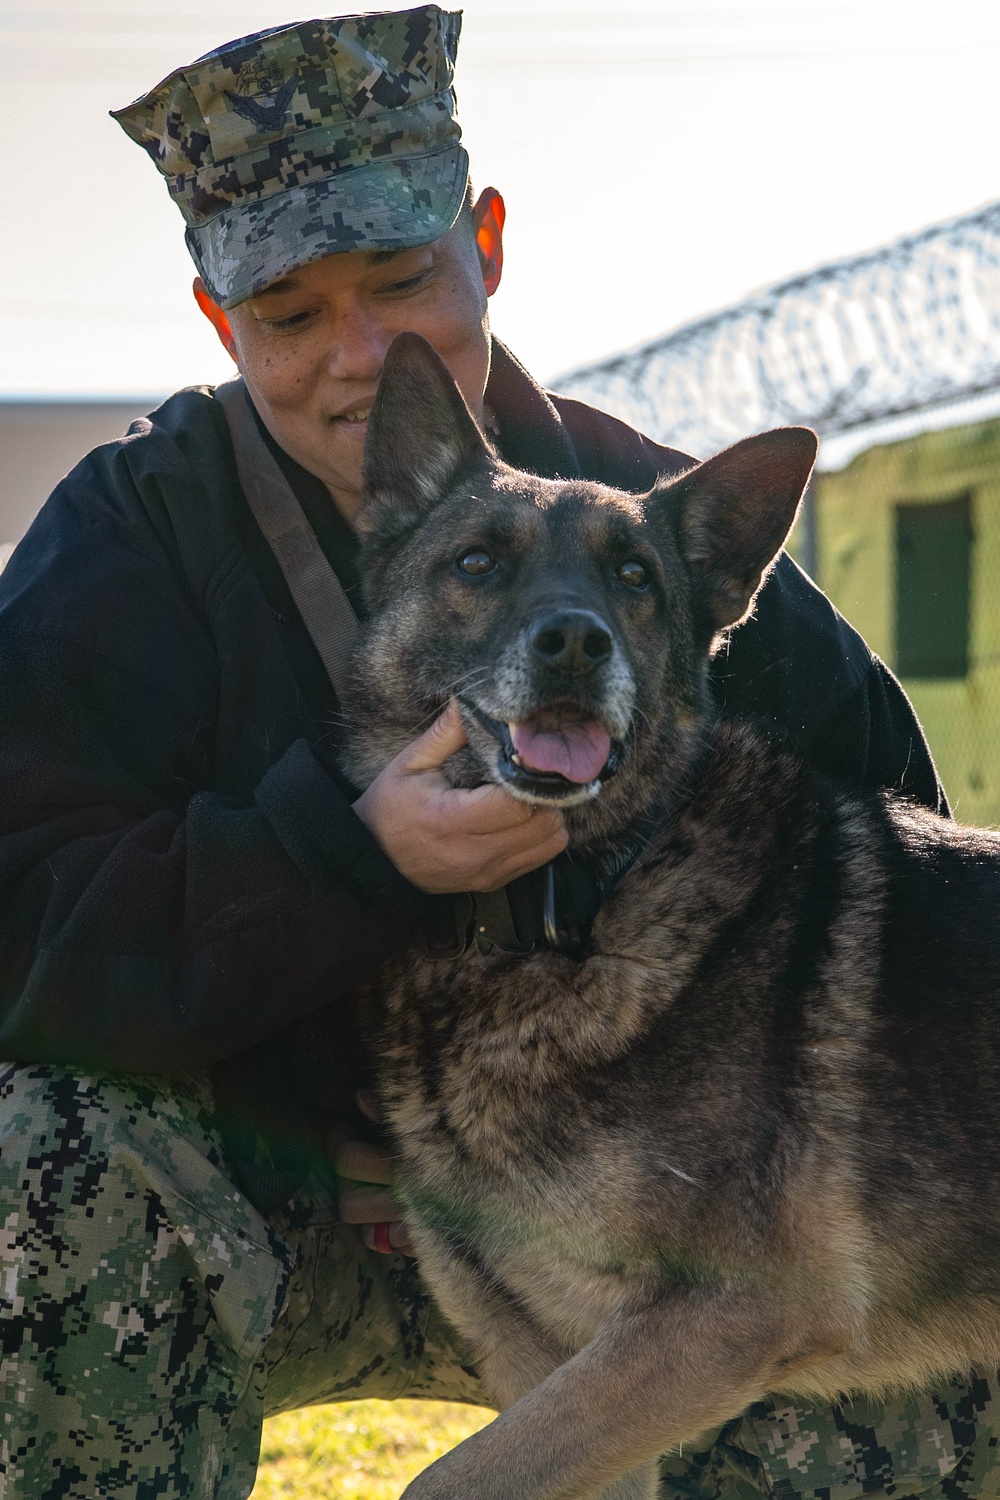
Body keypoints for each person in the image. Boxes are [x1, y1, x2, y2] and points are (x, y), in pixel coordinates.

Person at [0, 7, 985, 1500]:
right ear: (218, 323)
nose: (364, 353)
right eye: (289, 315)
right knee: (33, 1175)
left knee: (903, 1386)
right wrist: (340, 856)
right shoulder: (134, 545)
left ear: (488, 245)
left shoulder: (669, 537)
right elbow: (21, 925)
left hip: (642, 1242)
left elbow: (893, 930)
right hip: (276, 1218)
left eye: (404, 281)